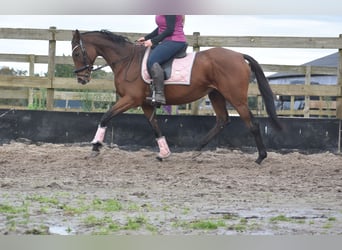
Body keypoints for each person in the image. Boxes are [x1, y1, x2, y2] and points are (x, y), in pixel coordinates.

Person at [137, 15, 187, 105]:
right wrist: (147, 37)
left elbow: (169, 29)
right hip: (167, 41)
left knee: (152, 61)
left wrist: (153, 41)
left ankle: (159, 95)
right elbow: (161, 27)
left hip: (174, 41)